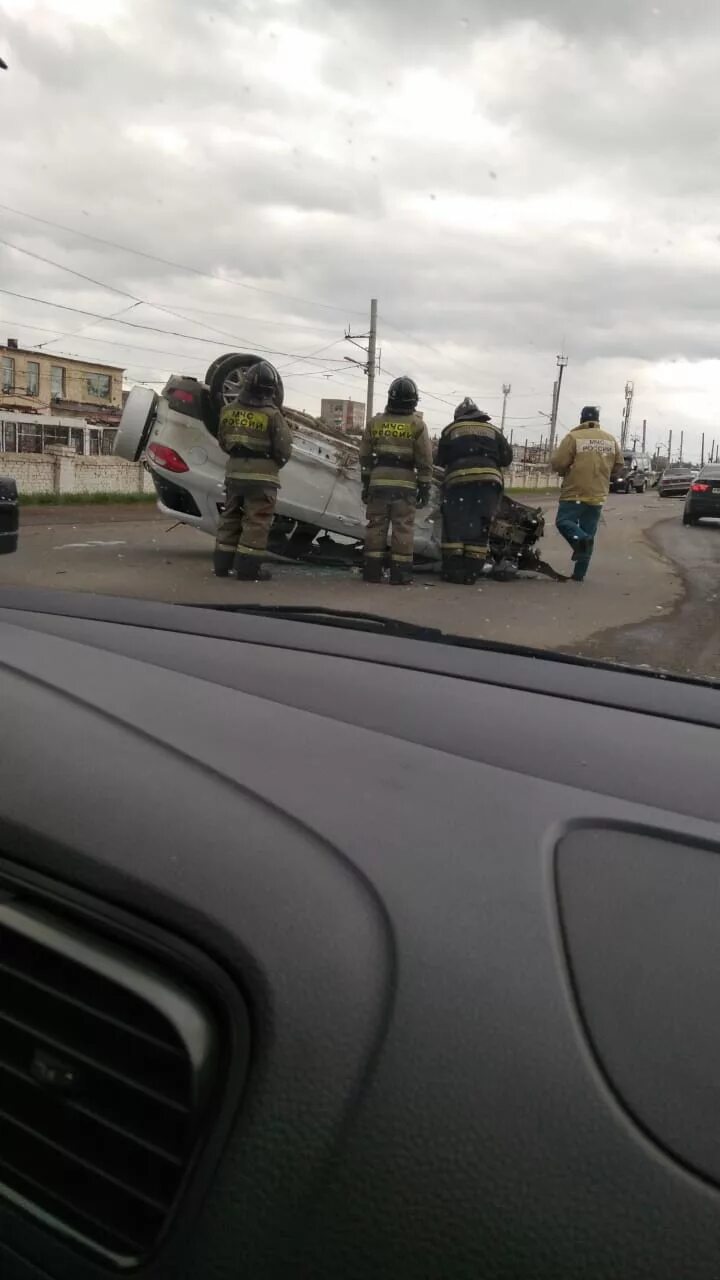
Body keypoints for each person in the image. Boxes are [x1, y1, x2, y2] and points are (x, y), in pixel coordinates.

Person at [213, 361, 293, 581]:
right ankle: (248, 569)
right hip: (262, 478)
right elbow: (284, 449)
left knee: (230, 517)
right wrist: (269, 463)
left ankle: (222, 564)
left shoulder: (228, 411)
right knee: (256, 521)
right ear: (271, 390)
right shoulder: (272, 415)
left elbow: (222, 441)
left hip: (234, 474)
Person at [359, 376, 433, 585]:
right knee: (403, 528)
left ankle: (372, 572)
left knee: (376, 526)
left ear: (390, 398)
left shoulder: (375, 423)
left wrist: (366, 482)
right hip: (405, 485)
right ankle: (400, 574)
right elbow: (425, 460)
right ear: (414, 401)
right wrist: (424, 487)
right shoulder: (417, 426)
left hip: (378, 483)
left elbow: (364, 456)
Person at [436, 398, 513, 584]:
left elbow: (439, 459)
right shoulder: (494, 431)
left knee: (454, 525)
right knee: (480, 526)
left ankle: (453, 571)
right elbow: (507, 458)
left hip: (459, 482)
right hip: (489, 483)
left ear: (458, 416)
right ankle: (471, 573)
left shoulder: (451, 430)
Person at [551, 406, 623, 583]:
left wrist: (566, 470)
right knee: (589, 531)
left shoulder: (573, 437)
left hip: (574, 492)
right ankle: (579, 574)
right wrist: (604, 473)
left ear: (581, 419)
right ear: (597, 420)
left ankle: (581, 541)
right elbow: (619, 465)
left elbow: (559, 463)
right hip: (597, 494)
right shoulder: (611, 440)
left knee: (563, 522)